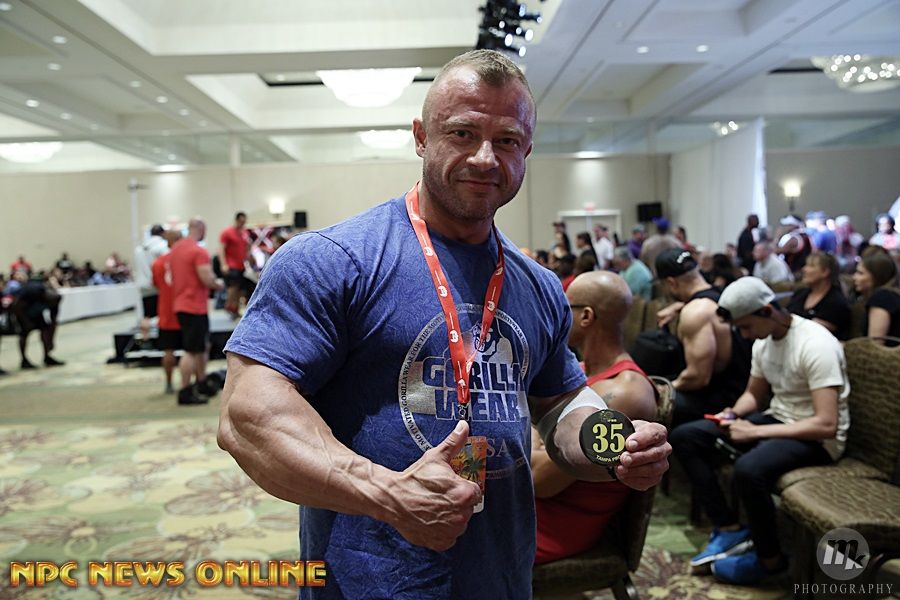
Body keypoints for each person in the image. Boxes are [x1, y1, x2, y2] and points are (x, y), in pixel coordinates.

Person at [216, 50, 670, 600]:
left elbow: (561, 403)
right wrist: (387, 493)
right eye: (462, 133)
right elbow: (248, 416)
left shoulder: (539, 285)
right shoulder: (333, 260)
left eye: (507, 140)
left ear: (527, 150)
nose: (485, 157)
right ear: (421, 137)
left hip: (502, 576)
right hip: (367, 582)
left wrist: (613, 446)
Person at [671, 277, 849, 585]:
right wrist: (732, 414)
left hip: (819, 439)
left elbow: (826, 424)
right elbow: (754, 395)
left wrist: (754, 432)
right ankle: (728, 527)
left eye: (746, 326)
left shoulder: (816, 344)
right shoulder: (764, 342)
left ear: (768, 311)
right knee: (686, 437)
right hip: (780, 419)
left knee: (748, 470)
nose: (744, 335)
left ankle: (771, 562)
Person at [532, 271, 658, 564]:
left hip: (561, 521)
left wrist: (531, 432)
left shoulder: (625, 392)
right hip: (542, 504)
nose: (556, 317)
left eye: (564, 308)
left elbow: (540, 480)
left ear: (586, 316)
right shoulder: (579, 369)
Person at [655, 249, 751, 427]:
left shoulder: (695, 312)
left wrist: (665, 388)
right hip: (742, 387)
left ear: (671, 283)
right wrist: (680, 306)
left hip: (724, 401)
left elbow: (698, 377)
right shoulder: (720, 294)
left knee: (646, 402)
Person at [169, 218, 224, 405]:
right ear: (200, 229)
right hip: (194, 305)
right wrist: (219, 284)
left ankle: (201, 382)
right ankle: (185, 390)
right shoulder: (198, 251)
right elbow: (206, 278)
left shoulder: (176, 249)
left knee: (200, 347)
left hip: (181, 302)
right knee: (191, 350)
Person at [4, 269, 64, 369]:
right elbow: (17, 306)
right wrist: (25, 321)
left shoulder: (54, 300)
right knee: (24, 334)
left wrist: (51, 340)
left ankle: (47, 357)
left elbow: (53, 321)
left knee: (45, 329)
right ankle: (24, 360)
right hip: (22, 311)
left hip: (36, 311)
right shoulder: (32, 290)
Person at [786, 252, 850, 339]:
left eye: (811, 266)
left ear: (825, 272)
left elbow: (813, 332)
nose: (804, 269)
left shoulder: (836, 302)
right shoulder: (800, 293)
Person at [151, 230, 183, 394]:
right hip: (185, 310)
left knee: (168, 350)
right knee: (191, 351)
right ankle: (189, 383)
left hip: (166, 312)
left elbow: (156, 285)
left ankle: (169, 383)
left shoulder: (157, 263)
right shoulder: (185, 261)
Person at [852, 246, 900, 343]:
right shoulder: (890, 295)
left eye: (860, 273)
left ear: (876, 276)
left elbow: (876, 345)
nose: (854, 277)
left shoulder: (881, 298)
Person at [134, 224, 169, 326]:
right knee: (160, 317)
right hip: (156, 286)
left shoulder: (139, 248)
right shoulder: (162, 246)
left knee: (147, 315)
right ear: (163, 234)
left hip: (143, 285)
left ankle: (145, 334)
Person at [219, 211, 252, 318]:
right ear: (237, 220)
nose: (242, 224)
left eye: (244, 222)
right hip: (231, 264)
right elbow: (221, 249)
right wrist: (223, 264)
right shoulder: (227, 232)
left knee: (240, 289)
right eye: (241, 221)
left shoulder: (244, 233)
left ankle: (235, 309)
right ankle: (228, 304)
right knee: (233, 286)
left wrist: (249, 258)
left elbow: (247, 249)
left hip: (241, 265)